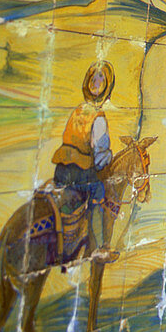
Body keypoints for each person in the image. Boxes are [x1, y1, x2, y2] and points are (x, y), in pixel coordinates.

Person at [52, 61, 117, 262]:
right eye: (95, 77)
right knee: (99, 190)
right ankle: (98, 248)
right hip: (80, 173)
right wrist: (109, 158)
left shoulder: (78, 110)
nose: (97, 82)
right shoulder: (98, 117)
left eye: (101, 78)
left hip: (61, 170)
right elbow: (99, 158)